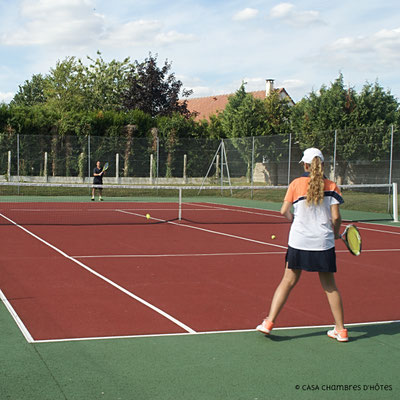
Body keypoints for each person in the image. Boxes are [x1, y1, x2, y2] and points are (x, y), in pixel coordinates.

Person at [256, 148, 348, 342]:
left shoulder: (296, 184)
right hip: (323, 242)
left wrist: (293, 219)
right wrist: (335, 232)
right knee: (330, 286)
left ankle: (269, 322)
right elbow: (336, 217)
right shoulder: (331, 185)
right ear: (322, 165)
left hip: (299, 241)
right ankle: (341, 330)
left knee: (287, 281)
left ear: (305, 165)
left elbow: (283, 211)